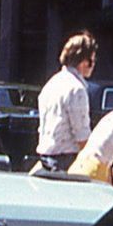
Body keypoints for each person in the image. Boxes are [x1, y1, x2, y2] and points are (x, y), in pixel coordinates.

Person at [35, 32, 97, 172]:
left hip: (44, 158)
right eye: (92, 61)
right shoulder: (77, 90)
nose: (93, 65)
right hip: (66, 161)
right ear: (84, 62)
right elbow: (82, 136)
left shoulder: (51, 84)